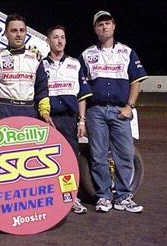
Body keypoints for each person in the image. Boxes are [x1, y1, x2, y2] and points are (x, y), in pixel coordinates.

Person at [79, 10, 148, 213]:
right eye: (100, 24)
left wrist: (130, 106)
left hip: (120, 111)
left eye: (107, 23)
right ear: (95, 29)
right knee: (98, 155)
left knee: (125, 154)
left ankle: (124, 196)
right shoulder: (86, 54)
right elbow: (81, 86)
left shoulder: (127, 52)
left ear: (113, 26)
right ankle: (103, 197)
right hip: (96, 112)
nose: (104, 27)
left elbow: (136, 81)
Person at [42, 25, 92, 214]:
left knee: (70, 159)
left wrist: (81, 120)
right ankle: (52, 197)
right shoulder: (41, 64)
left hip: (69, 119)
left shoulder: (75, 64)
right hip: (47, 120)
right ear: (48, 41)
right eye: (55, 37)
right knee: (47, 161)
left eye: (62, 37)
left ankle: (72, 197)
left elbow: (82, 96)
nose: (60, 40)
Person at [0, 14, 53, 127]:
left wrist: (45, 113)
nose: (19, 34)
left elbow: (42, 89)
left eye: (22, 30)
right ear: (6, 34)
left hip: (29, 110)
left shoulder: (36, 58)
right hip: (4, 110)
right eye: (14, 30)